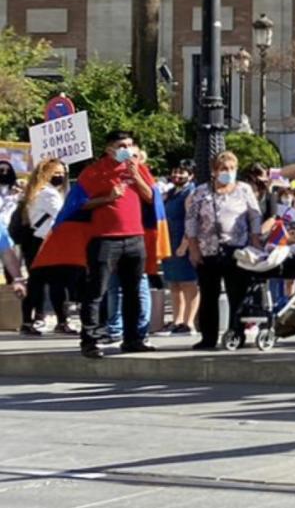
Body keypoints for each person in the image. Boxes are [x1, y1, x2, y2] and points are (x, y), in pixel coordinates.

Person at [76, 132, 155, 359]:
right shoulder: (94, 171)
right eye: (122, 145)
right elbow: (79, 204)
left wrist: (135, 174)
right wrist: (108, 198)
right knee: (97, 291)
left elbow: (151, 197)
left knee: (133, 292)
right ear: (110, 148)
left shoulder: (138, 168)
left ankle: (133, 339)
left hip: (135, 238)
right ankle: (89, 341)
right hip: (104, 239)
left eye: (130, 145)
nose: (127, 149)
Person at [186, 151, 260, 351]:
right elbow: (191, 221)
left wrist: (255, 240)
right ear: (214, 171)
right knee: (209, 295)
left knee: (237, 295)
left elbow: (254, 216)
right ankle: (208, 338)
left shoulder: (244, 190)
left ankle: (236, 334)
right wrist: (193, 248)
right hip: (208, 250)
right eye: (223, 169)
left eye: (231, 169)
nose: (227, 173)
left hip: (237, 249)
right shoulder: (201, 192)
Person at [18, 159, 71, 335]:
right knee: (56, 283)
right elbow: (63, 215)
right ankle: (62, 321)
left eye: (63, 174)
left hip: (36, 242)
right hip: (46, 242)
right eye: (56, 173)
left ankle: (27, 320)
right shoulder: (49, 194)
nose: (60, 177)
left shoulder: (35, 191)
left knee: (36, 283)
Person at [160, 162, 198, 335]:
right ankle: (177, 320)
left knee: (188, 283)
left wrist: (185, 245)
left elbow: (191, 221)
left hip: (183, 242)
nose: (177, 175)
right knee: (174, 284)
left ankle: (189, 322)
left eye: (182, 172)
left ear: (190, 175)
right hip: (169, 241)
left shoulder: (190, 193)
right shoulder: (170, 194)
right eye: (175, 171)